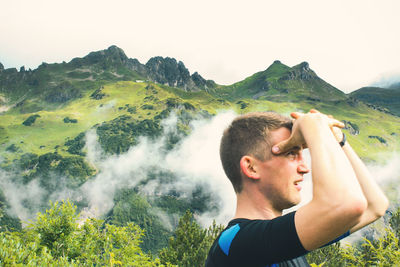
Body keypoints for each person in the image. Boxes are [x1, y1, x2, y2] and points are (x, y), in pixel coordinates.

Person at [205, 109, 389, 267]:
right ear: (252, 167)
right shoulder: (235, 243)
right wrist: (314, 127)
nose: (304, 168)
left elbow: (374, 206)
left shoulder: (280, 242)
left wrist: (339, 140)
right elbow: (345, 205)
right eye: (292, 154)